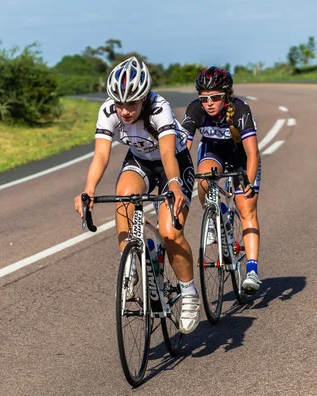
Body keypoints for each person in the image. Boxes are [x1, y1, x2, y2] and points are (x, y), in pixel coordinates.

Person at [74, 56, 200, 334]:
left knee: (169, 232)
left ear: (144, 99)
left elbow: (167, 151)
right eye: (119, 103)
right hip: (140, 160)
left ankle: (189, 293)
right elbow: (101, 154)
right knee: (124, 197)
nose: (125, 111)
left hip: (173, 163)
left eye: (131, 104)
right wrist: (89, 189)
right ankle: (130, 265)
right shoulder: (108, 111)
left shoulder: (159, 108)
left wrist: (176, 184)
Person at [181, 66, 263, 292]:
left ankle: (253, 271)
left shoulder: (239, 109)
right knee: (204, 178)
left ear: (226, 96)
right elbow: (183, 147)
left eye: (215, 97)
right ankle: (213, 216)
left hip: (241, 158)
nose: (209, 103)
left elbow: (252, 153)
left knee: (247, 210)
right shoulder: (195, 109)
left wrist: (249, 179)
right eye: (204, 98)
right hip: (213, 153)